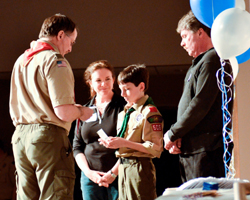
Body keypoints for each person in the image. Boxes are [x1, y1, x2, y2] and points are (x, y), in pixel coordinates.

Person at [9, 14, 93, 200]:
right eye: (72, 41)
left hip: (20, 139)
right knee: (56, 194)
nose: (70, 48)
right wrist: (81, 111)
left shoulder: (21, 61)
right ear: (61, 35)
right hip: (47, 138)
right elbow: (63, 111)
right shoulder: (55, 61)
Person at [164, 10, 234, 183]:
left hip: (206, 151)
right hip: (193, 150)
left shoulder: (212, 60)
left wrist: (173, 132)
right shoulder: (200, 63)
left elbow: (200, 104)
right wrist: (180, 134)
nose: (182, 43)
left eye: (185, 36)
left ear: (200, 33)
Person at [99, 64, 163, 200]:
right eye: (121, 90)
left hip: (139, 168)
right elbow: (124, 151)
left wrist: (124, 142)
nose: (122, 94)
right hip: (123, 168)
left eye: (127, 89)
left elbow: (156, 148)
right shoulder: (124, 113)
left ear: (141, 87)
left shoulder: (149, 112)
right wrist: (113, 172)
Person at [72, 60, 126, 200]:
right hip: (90, 178)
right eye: (98, 80)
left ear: (114, 80)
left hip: (118, 174)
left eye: (108, 79)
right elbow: (77, 147)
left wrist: (113, 173)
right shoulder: (84, 110)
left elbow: (131, 144)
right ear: (90, 83)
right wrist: (89, 173)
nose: (104, 84)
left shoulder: (124, 107)